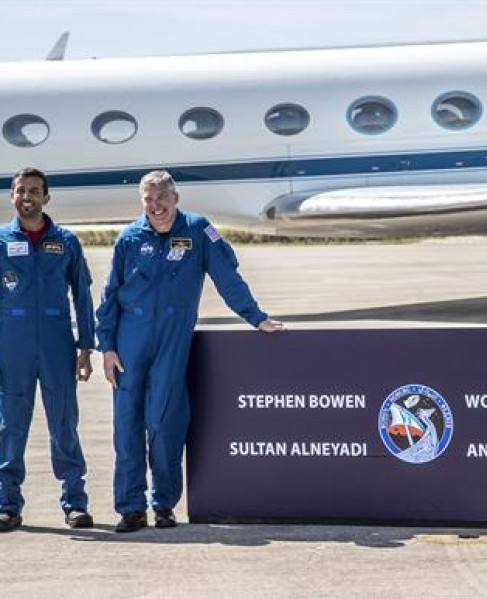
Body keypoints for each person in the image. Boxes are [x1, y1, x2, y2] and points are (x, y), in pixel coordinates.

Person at [96, 170, 285, 533]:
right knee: (127, 428)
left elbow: (227, 278)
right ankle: (131, 508)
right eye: (148, 200)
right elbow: (110, 295)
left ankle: (163, 505)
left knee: (165, 423)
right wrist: (107, 346)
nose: (155, 206)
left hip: (171, 343)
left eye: (161, 198)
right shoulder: (129, 237)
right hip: (129, 345)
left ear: (175, 197)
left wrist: (256, 318)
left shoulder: (198, 231)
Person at [0, 167, 95, 532]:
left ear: (46, 197)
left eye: (35, 190)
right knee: (10, 427)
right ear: (12, 196)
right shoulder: (2, 241)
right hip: (13, 345)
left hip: (57, 345)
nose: (28, 196)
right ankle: (7, 503)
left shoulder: (66, 242)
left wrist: (86, 346)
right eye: (21, 190)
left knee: (64, 425)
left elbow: (82, 297)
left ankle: (75, 502)